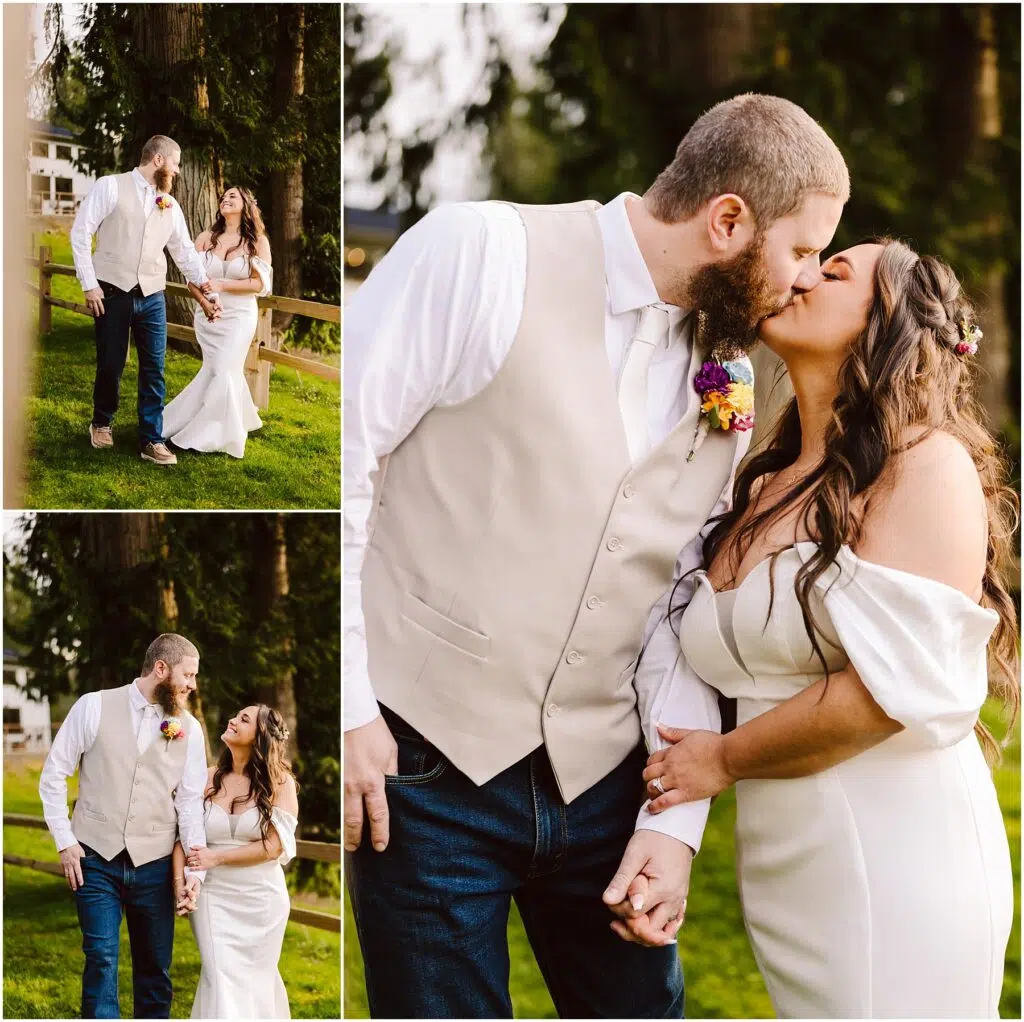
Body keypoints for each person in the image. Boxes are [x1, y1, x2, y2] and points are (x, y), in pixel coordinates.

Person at [344, 93, 849, 1018]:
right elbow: (344, 464)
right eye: (804, 250)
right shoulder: (479, 251)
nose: (808, 280)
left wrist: (673, 823)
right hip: (424, 769)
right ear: (727, 220)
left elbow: (678, 599)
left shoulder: (729, 375)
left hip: (606, 787)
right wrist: (346, 711)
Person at [643, 239, 1018, 1018]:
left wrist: (722, 760)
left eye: (835, 271)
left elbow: (888, 693)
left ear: (886, 321)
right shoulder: (760, 482)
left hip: (902, 855)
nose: (802, 275)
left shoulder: (924, 467)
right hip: (788, 866)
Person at [38, 633, 208, 1019]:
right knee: (100, 960)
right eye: (188, 675)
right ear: (161, 669)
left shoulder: (190, 729)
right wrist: (65, 841)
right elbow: (53, 775)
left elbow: (189, 804)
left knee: (155, 970)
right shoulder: (92, 706)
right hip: (95, 860)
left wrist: (194, 869)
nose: (193, 685)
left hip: (155, 865)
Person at [70, 135, 216, 467]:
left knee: (154, 369)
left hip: (152, 296)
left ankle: (151, 439)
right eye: (175, 164)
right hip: (111, 292)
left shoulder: (170, 204)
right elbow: (80, 233)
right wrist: (89, 284)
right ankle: (102, 421)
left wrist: (205, 286)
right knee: (111, 364)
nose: (177, 171)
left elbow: (184, 252)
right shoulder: (110, 186)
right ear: (158, 160)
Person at [177, 703, 298, 1019]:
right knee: (218, 976)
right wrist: (182, 881)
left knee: (257, 981)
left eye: (244, 719)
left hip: (261, 898)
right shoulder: (206, 778)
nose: (232, 720)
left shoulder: (280, 783)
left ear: (260, 736)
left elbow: (272, 847)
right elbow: (182, 835)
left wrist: (216, 857)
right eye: (236, 715)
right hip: (213, 896)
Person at [163, 186, 272, 459]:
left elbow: (259, 284)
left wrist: (222, 284)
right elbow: (191, 278)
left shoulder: (258, 242)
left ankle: (213, 432)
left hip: (239, 316)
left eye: (233, 196)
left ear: (246, 204)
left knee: (223, 368)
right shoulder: (205, 238)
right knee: (217, 370)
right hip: (209, 315)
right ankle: (230, 421)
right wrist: (205, 303)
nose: (226, 199)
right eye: (223, 197)